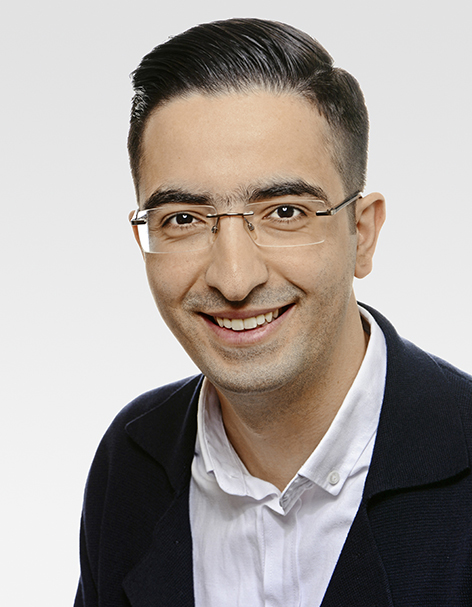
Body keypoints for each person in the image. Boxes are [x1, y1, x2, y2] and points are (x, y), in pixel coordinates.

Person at [75, 18, 472, 607]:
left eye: (284, 212)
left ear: (362, 234)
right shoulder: (131, 460)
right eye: (183, 219)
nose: (235, 279)